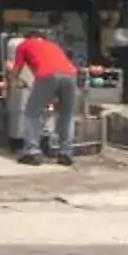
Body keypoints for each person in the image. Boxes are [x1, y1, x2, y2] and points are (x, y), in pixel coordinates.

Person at [13, 30, 80, 166]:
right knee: (66, 115)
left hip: (47, 76)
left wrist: (11, 83)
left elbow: (18, 68)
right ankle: (65, 152)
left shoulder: (23, 45)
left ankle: (32, 152)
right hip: (70, 75)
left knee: (32, 113)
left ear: (27, 37)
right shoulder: (53, 45)